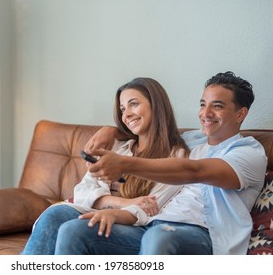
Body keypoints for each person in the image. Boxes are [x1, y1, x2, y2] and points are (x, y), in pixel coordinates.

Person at [54, 71, 268, 255]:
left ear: (241, 113)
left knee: (159, 237)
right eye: (203, 104)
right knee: (75, 230)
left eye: (217, 106)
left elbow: (195, 171)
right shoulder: (193, 140)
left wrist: (125, 164)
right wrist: (111, 131)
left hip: (204, 234)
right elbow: (153, 129)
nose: (205, 113)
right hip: (151, 224)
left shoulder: (248, 153)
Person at [21, 77, 190, 254]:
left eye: (134, 104)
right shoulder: (117, 147)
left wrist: (120, 208)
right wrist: (123, 202)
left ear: (156, 105)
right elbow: (82, 191)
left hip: (133, 225)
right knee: (54, 215)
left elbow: (149, 208)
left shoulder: (176, 156)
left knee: (74, 229)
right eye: (123, 109)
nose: (126, 115)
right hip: (96, 209)